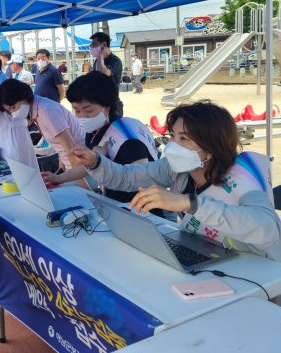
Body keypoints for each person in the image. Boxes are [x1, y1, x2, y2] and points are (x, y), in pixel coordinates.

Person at [69, 100, 281, 261]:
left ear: (211, 146)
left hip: (262, 268)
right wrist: (96, 161)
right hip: (216, 259)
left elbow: (266, 228)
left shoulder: (242, 178)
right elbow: (128, 177)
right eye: (172, 135)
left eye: (184, 139)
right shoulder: (175, 167)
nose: (172, 145)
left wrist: (189, 203)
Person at [41, 72, 172, 218]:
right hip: (115, 206)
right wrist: (59, 178)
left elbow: (141, 180)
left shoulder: (128, 138)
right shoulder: (95, 129)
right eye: (76, 110)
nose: (81, 116)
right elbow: (90, 167)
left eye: (88, 110)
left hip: (142, 213)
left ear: (107, 106)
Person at [0, 78, 85, 170]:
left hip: (80, 165)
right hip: (72, 164)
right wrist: (62, 163)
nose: (13, 114)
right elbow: (61, 143)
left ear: (23, 97)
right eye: (9, 111)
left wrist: (71, 176)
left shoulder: (46, 112)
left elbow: (71, 148)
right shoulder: (37, 109)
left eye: (13, 107)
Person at [90, 32, 124, 116]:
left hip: (112, 106)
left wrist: (101, 56)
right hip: (98, 104)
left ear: (104, 44)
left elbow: (103, 74)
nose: (91, 46)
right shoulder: (97, 60)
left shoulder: (115, 60)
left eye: (94, 43)